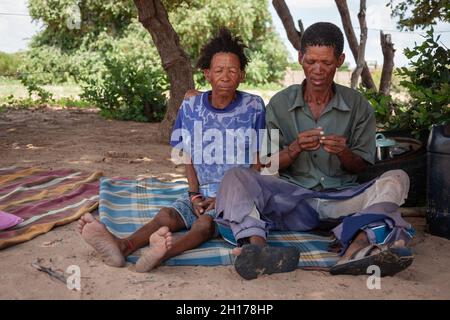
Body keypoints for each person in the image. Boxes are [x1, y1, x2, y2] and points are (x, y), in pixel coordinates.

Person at [214, 22, 415, 280]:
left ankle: (354, 250)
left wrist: (343, 153)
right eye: (310, 62)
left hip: (343, 203)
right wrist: (295, 148)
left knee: (397, 178)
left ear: (340, 61)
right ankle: (258, 249)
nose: (318, 70)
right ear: (300, 58)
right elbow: (267, 166)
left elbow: (362, 167)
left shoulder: (358, 106)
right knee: (236, 177)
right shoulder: (280, 103)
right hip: (292, 202)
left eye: (327, 63)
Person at [78, 27, 268, 272]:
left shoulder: (254, 106)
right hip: (200, 193)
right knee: (167, 215)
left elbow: (257, 162)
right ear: (207, 74)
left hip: (236, 195)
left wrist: (222, 197)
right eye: (219, 70)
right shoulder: (191, 106)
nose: (226, 76)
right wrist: (193, 194)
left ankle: (162, 254)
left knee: (203, 226)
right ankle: (123, 246)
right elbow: (187, 154)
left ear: (242, 75)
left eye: (232, 70)